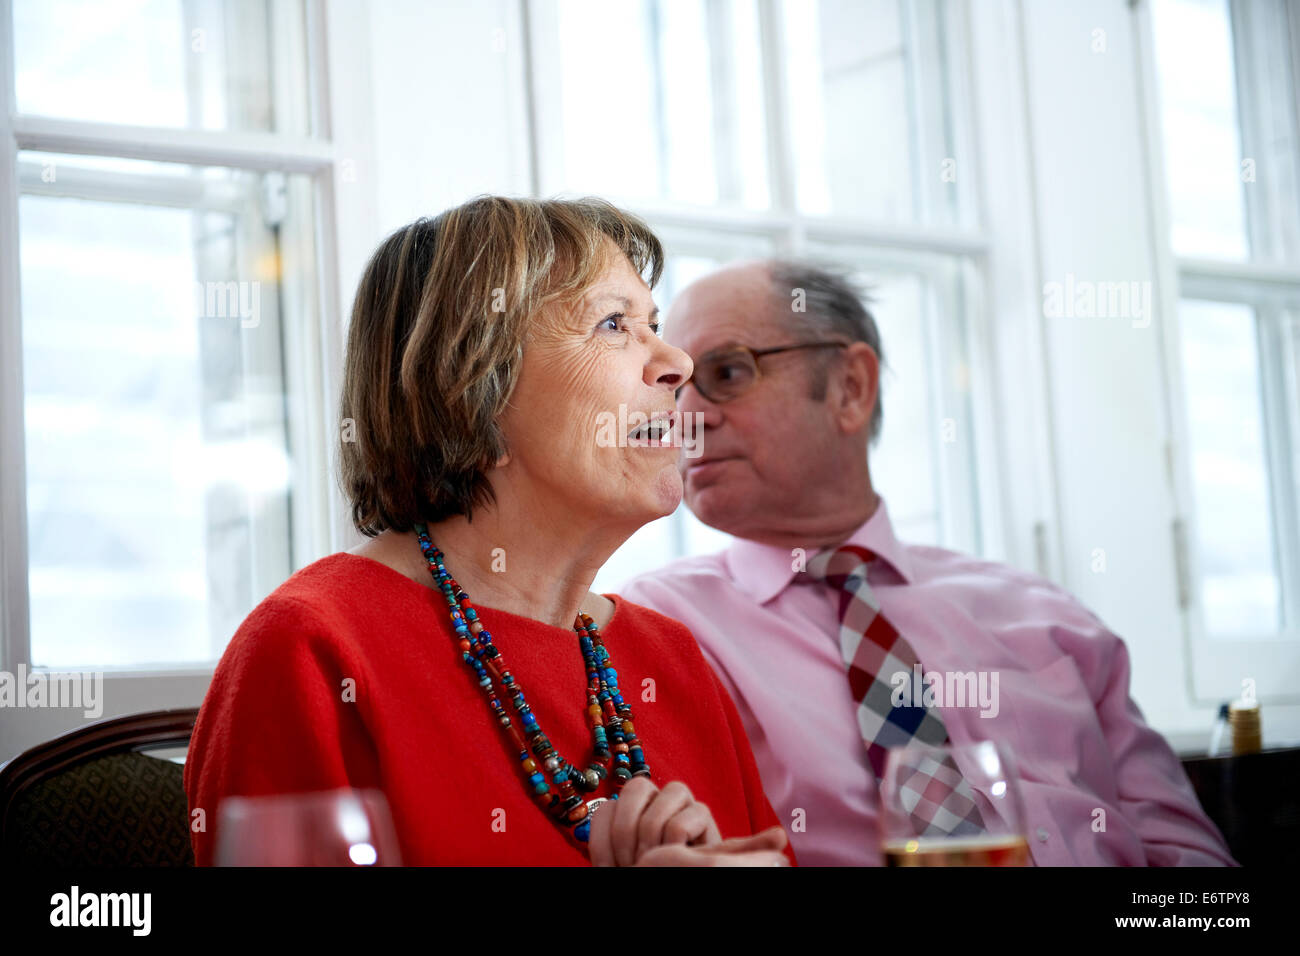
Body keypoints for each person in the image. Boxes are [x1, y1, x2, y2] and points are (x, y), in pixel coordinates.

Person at [184, 197, 796, 867]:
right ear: (473, 391)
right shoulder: (310, 651)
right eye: (614, 324)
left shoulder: (671, 660)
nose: (676, 361)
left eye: (653, 323)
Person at [621, 259, 1238, 866]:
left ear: (850, 388)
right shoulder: (657, 629)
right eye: (677, 387)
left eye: (728, 372)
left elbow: (1197, 877)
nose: (687, 420)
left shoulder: (1050, 618)